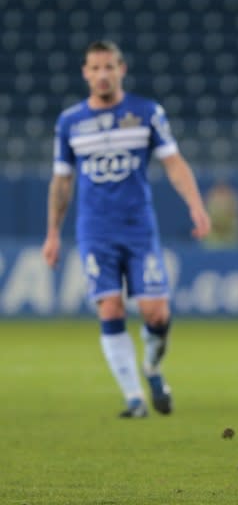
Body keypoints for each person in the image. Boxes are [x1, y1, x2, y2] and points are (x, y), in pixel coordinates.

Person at [42, 40, 211, 418]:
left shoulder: (147, 112)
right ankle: (134, 398)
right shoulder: (70, 122)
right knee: (110, 306)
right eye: (95, 68)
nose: (102, 74)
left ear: (121, 69)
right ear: (85, 73)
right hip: (94, 232)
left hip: (139, 230)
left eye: (109, 67)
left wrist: (196, 205)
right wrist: (53, 233)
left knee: (156, 313)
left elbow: (173, 162)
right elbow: (61, 182)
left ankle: (152, 368)